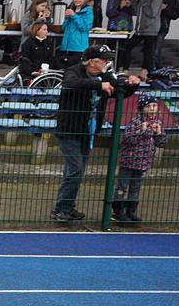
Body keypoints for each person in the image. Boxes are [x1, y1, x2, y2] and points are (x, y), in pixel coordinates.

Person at [51, 44, 140, 223]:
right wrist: (99, 85)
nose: (107, 62)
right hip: (69, 130)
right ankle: (61, 209)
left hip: (88, 131)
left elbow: (118, 88)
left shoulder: (106, 76)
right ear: (92, 61)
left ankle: (68, 206)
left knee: (77, 171)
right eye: (104, 59)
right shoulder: (74, 71)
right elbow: (71, 83)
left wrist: (131, 85)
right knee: (75, 170)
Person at [112, 94, 166, 223]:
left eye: (154, 105)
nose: (152, 108)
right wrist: (141, 131)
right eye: (148, 106)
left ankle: (131, 211)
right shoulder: (135, 122)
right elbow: (127, 140)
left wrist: (159, 134)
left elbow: (162, 143)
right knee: (122, 185)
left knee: (136, 186)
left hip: (144, 161)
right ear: (142, 108)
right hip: (129, 160)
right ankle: (118, 210)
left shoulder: (157, 123)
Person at [120, 0, 162, 77]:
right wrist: (136, 1)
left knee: (148, 51)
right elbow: (137, 11)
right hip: (140, 28)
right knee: (128, 47)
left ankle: (145, 73)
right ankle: (126, 69)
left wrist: (143, 1)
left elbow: (153, 12)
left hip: (150, 28)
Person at [59, 0, 94, 67]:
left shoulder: (88, 11)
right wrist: (67, 18)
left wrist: (74, 16)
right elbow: (63, 28)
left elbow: (84, 27)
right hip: (66, 47)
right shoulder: (72, 10)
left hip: (79, 48)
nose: (76, 0)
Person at [154, 0, 178, 70]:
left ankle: (158, 69)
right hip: (151, 26)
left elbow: (176, 15)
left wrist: (166, 9)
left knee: (157, 50)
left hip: (163, 26)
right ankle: (152, 69)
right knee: (149, 49)